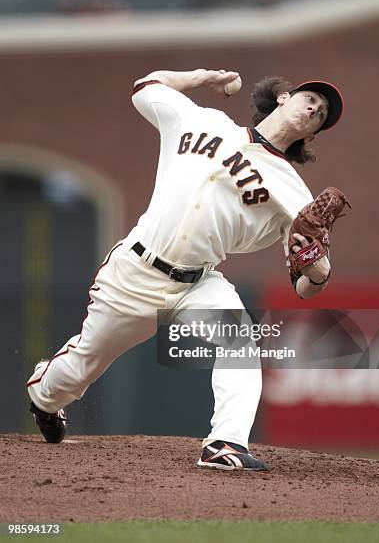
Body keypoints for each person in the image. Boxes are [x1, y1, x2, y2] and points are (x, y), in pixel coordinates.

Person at [27, 69, 343, 471]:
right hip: (136, 271)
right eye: (310, 98)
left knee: (240, 343)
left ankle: (225, 444)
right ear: (284, 98)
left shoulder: (295, 193)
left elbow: (304, 284)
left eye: (322, 113)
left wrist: (319, 270)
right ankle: (44, 398)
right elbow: (145, 88)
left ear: (312, 135)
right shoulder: (203, 120)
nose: (315, 107)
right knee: (81, 367)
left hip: (198, 282)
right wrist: (201, 76)